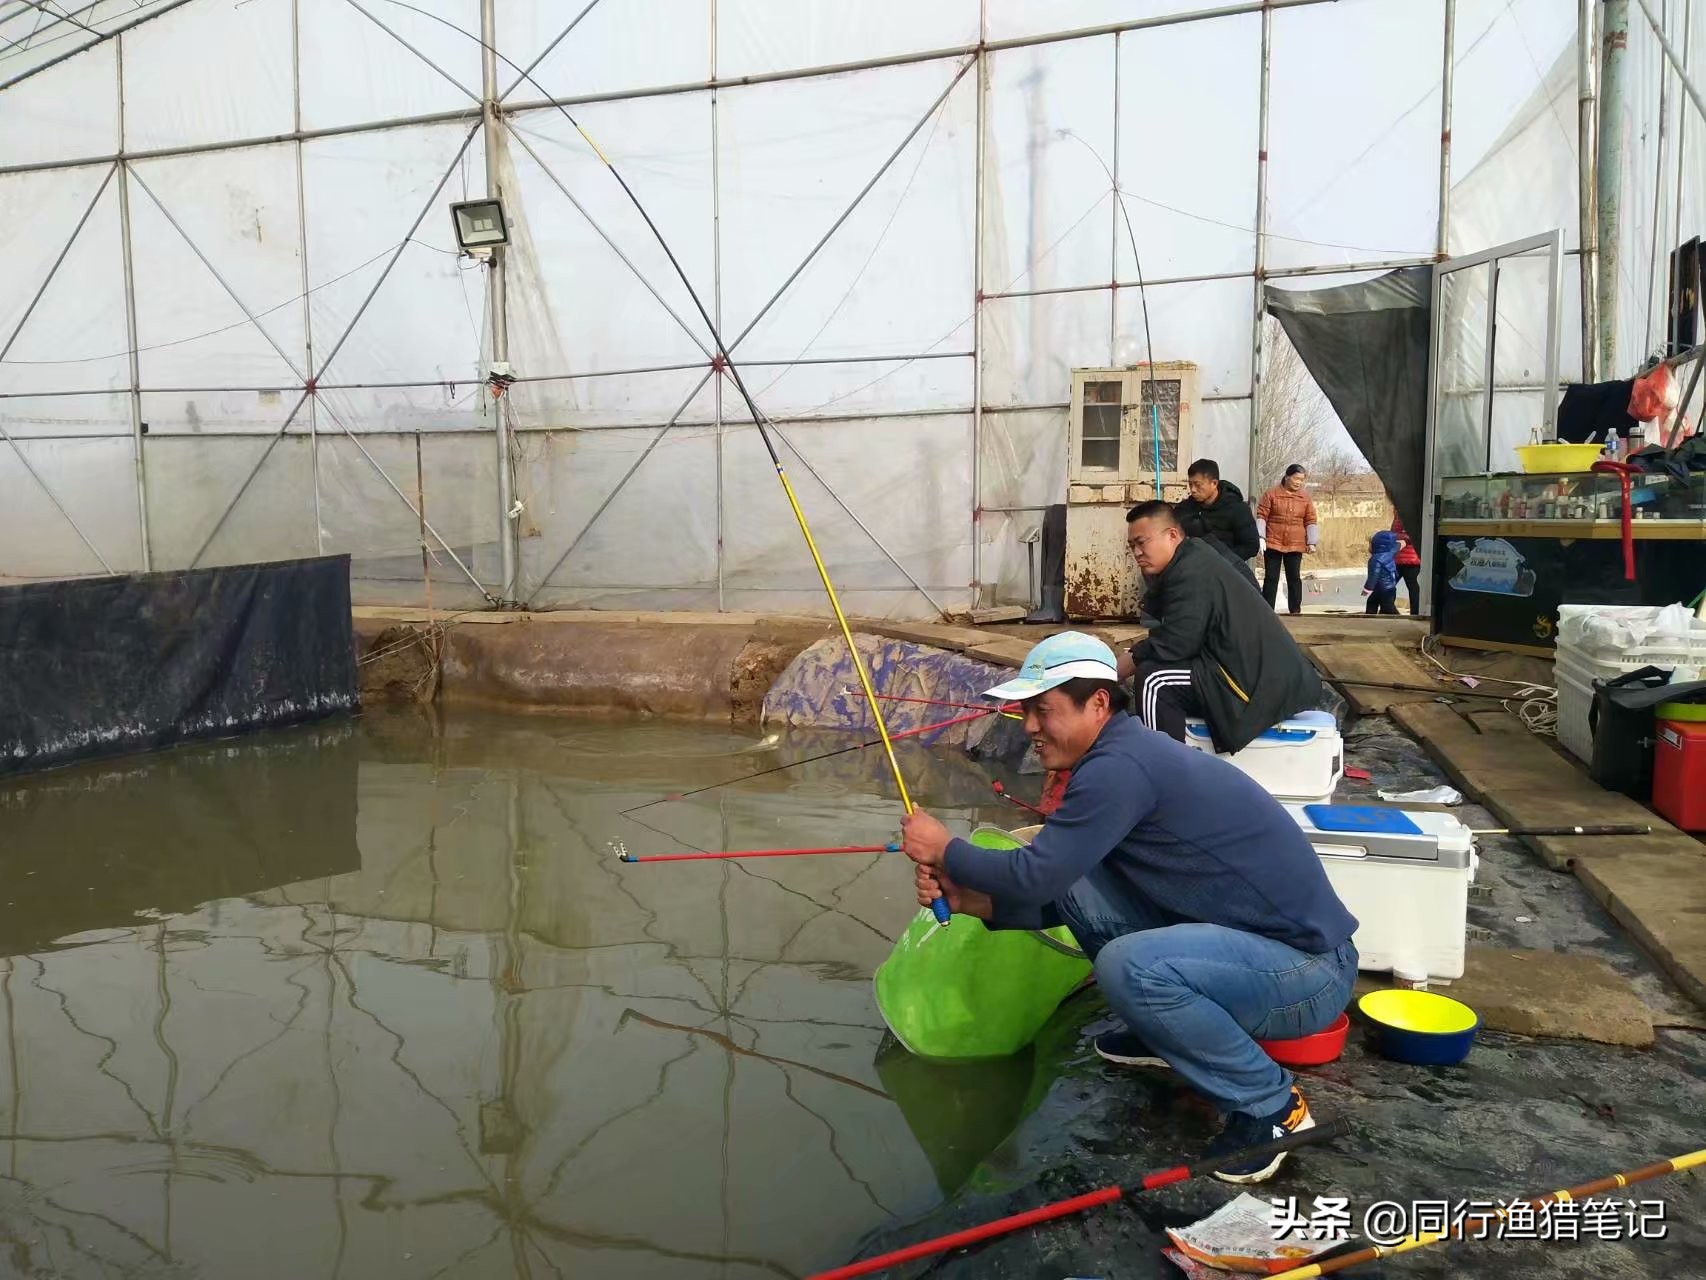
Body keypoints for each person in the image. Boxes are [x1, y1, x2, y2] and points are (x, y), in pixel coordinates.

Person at [899, 632, 1359, 1184]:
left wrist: (944, 848)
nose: (1029, 727)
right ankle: (1167, 1029)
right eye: (1026, 712)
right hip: (1253, 949)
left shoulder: (1120, 768)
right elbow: (1063, 886)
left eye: (1043, 710)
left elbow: (1035, 873)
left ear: (1097, 704)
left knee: (1129, 967)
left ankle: (1271, 1108)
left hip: (1307, 970)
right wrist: (972, 900)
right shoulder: (1119, 755)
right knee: (1080, 877)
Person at [1115, 501, 1322, 752]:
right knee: (1153, 666)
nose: (1136, 552)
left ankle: (1163, 774)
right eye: (1131, 546)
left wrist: (1130, 660)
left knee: (1154, 681)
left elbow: (1178, 643)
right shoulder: (1193, 558)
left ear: (1171, 536)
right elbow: (1184, 631)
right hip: (1266, 677)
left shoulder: (1189, 571)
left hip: (1254, 688)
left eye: (1141, 542)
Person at [1255, 465, 1318, 615]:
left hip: (1295, 544)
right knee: (1271, 578)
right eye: (1296, 478)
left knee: (1294, 578)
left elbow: (1310, 520)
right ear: (1287, 476)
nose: (1298, 482)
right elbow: (1261, 515)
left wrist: (1312, 541)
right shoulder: (1271, 494)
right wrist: (1260, 536)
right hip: (1273, 542)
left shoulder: (1305, 498)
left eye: (1301, 480)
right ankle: (1267, 612)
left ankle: (1295, 611)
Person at [1175, 459, 1259, 563]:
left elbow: (1251, 546)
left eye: (1198, 485)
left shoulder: (1237, 509)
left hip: (1224, 571)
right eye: (1190, 484)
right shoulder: (1185, 509)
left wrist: (1222, 560)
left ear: (1214, 483)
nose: (1193, 490)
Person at [1362, 529, 1399, 615]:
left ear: (1376, 546)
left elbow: (1373, 576)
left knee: (1387, 607)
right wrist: (1403, 541)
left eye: (1370, 544)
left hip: (1382, 588)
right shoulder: (1389, 553)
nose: (1369, 547)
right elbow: (1396, 546)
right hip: (1390, 588)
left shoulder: (1375, 560)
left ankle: (1396, 617)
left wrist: (1367, 589)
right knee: (1372, 602)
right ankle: (1370, 617)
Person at [1390, 514, 1422, 615]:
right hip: (1401, 559)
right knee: (1413, 588)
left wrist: (1393, 537)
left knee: (1413, 588)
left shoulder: (1407, 517)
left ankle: (1415, 612)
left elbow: (1409, 536)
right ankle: (1390, 609)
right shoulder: (1398, 518)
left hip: (1410, 560)